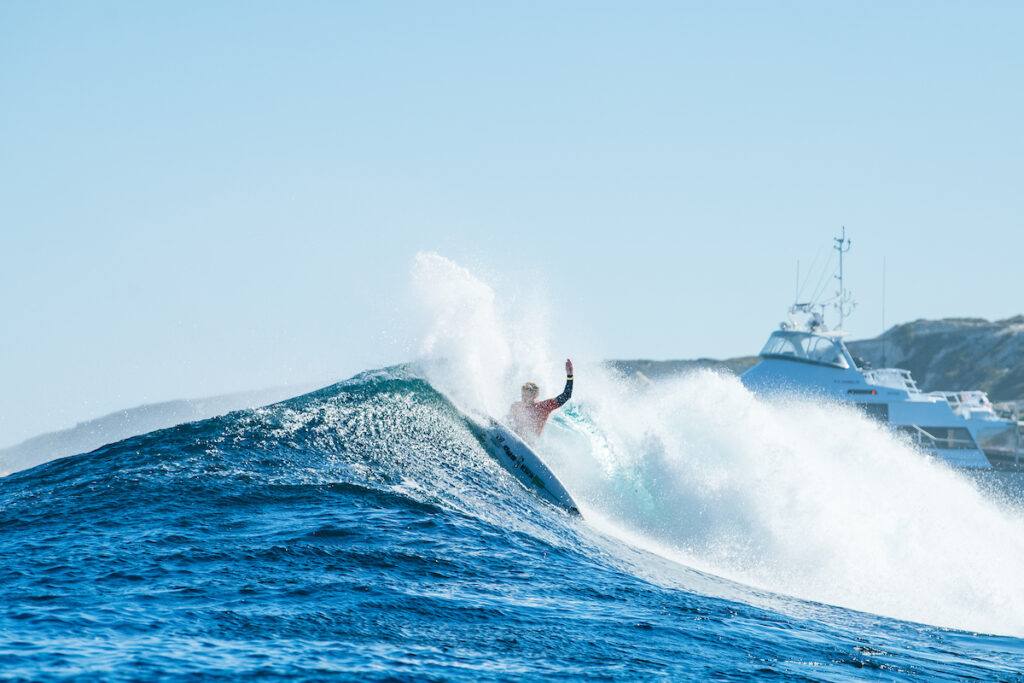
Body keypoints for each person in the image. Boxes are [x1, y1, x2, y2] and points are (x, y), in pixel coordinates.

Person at [508, 359, 574, 443]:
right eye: (522, 395)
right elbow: (506, 421)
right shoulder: (516, 406)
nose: (523, 399)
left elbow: (566, 396)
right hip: (511, 437)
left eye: (527, 396)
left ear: (535, 396)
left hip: (528, 443)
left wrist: (570, 376)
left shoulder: (543, 407)